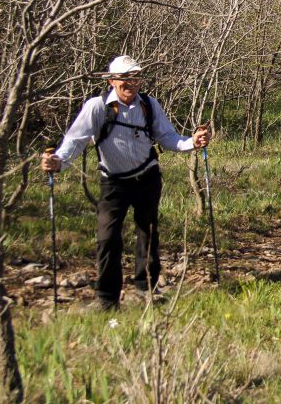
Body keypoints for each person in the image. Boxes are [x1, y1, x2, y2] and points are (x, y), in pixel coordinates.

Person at [40, 55, 211, 310]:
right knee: (107, 238)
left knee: (148, 232)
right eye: (124, 78)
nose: (130, 83)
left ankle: (146, 290)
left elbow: (167, 137)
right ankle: (107, 299)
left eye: (135, 77)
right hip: (113, 182)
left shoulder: (149, 105)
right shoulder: (97, 108)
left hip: (147, 177)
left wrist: (192, 143)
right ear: (111, 81)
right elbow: (75, 141)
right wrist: (58, 162)